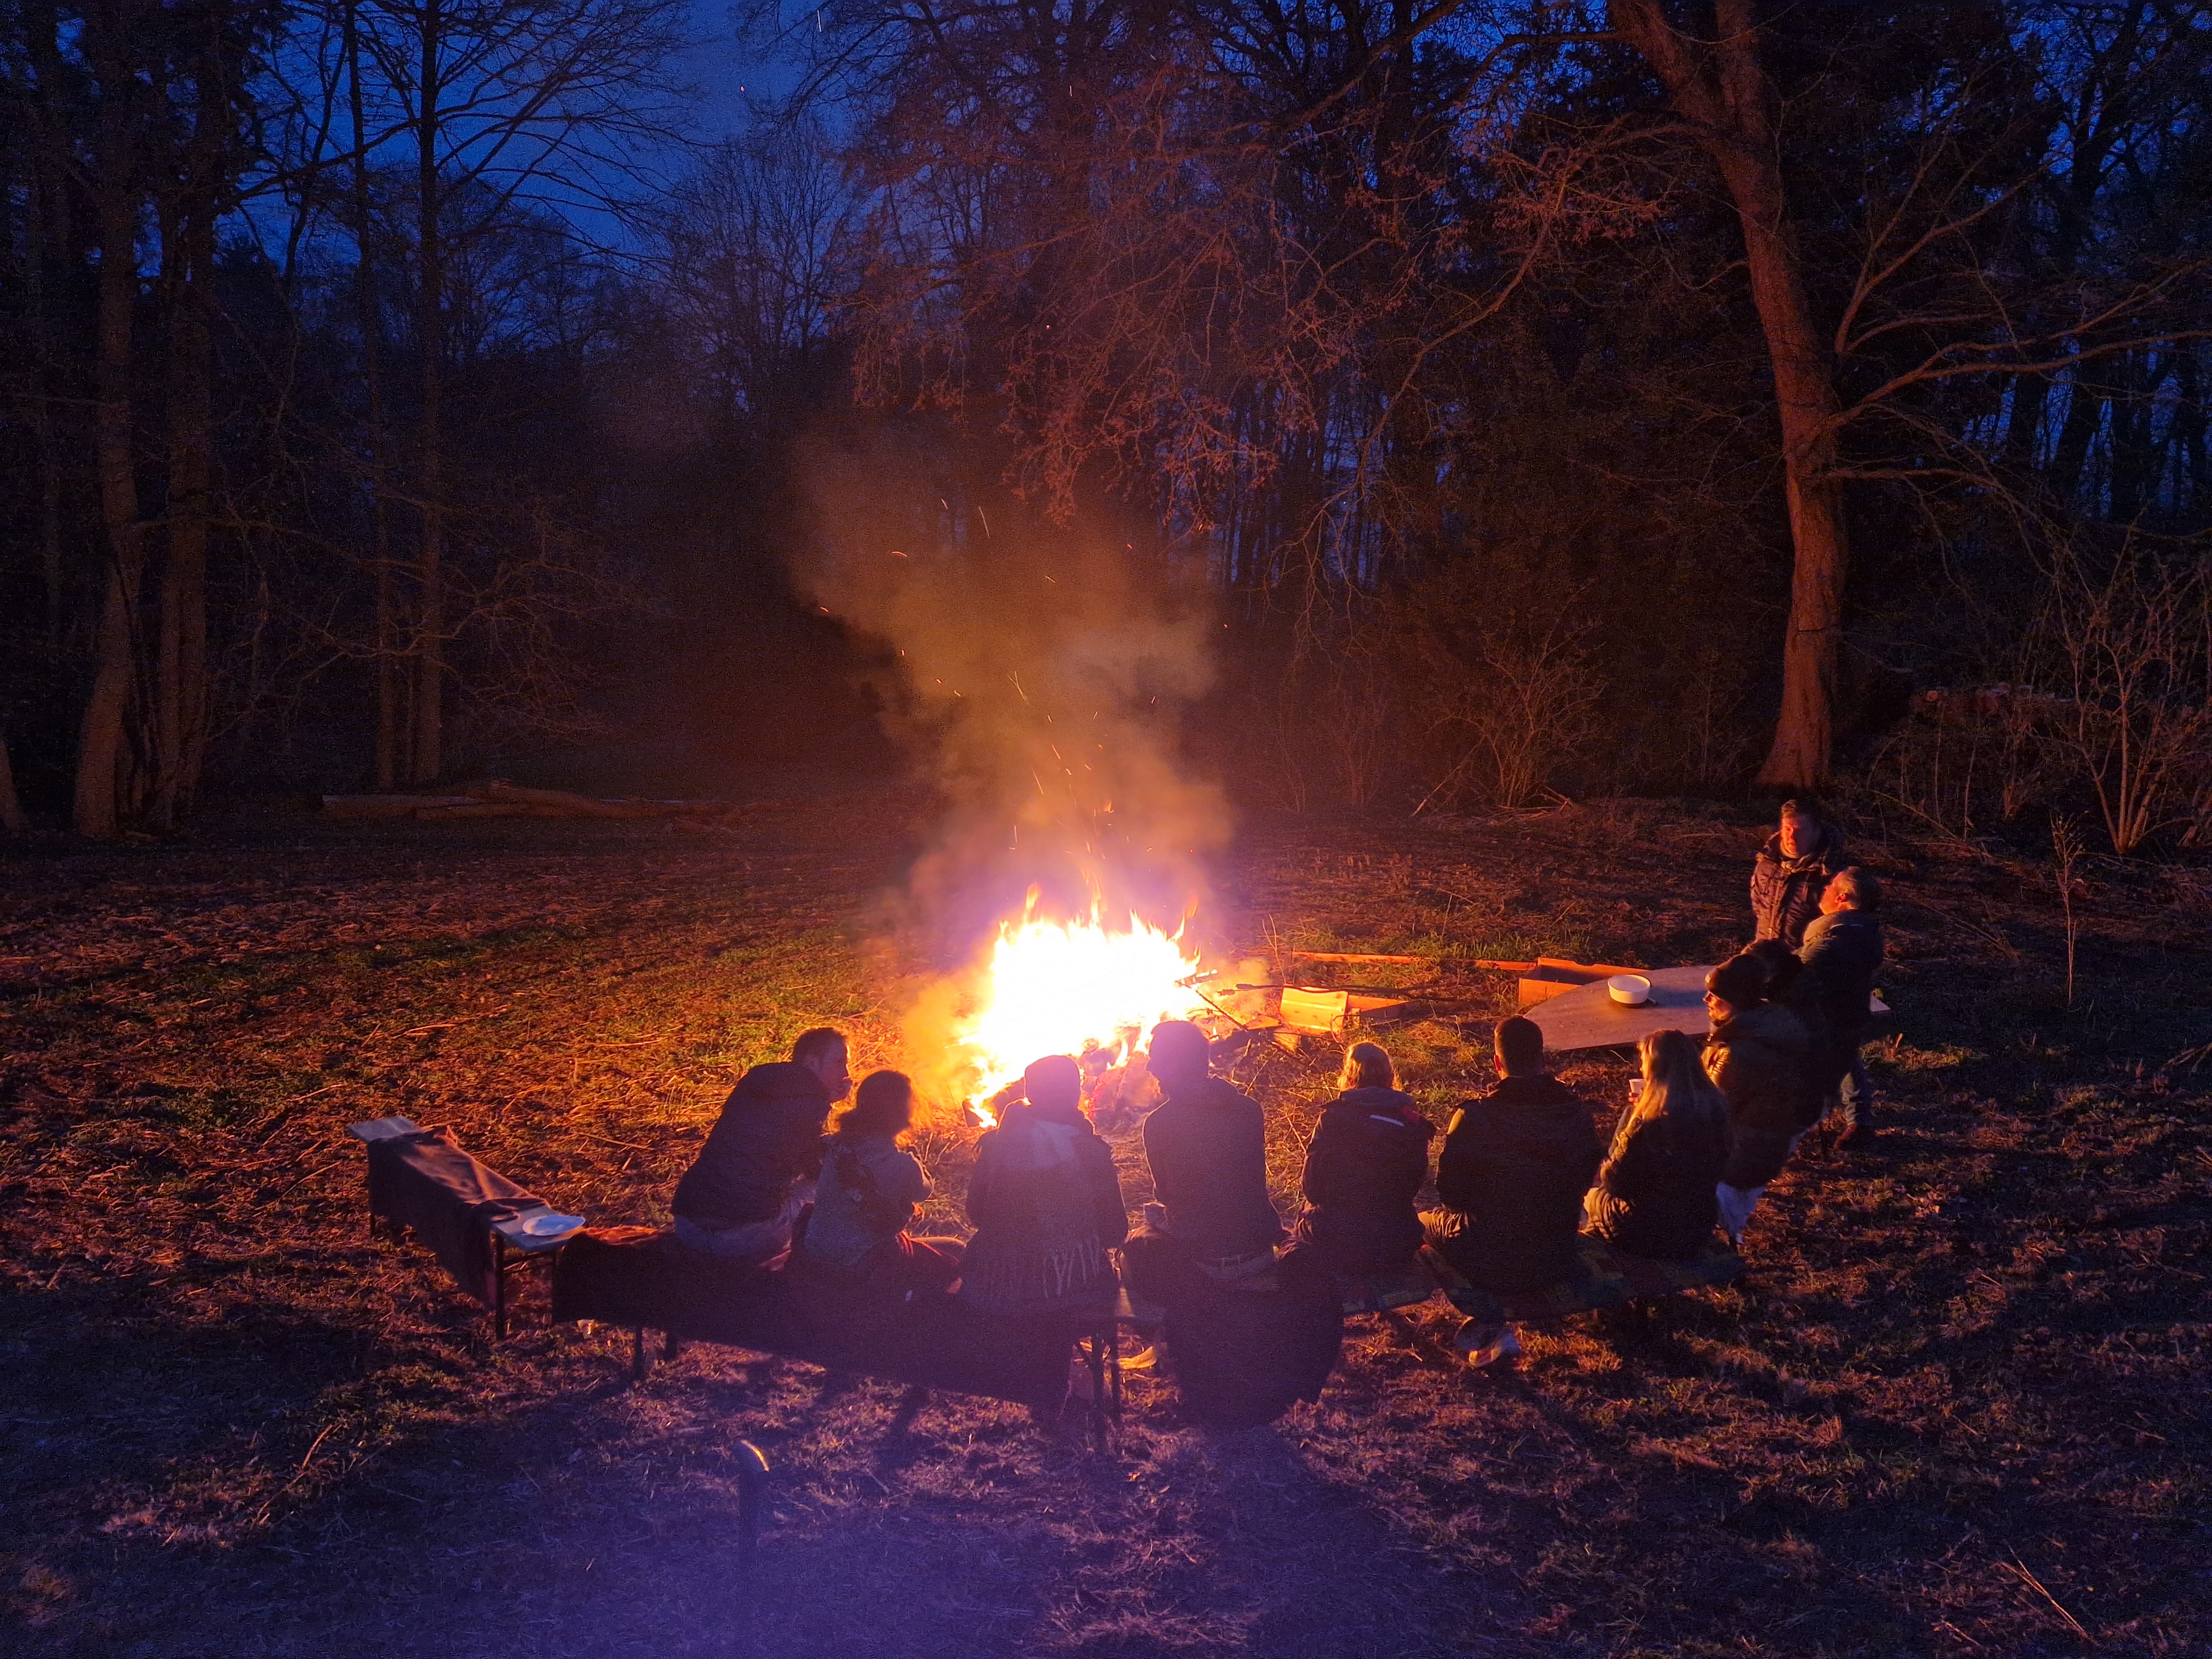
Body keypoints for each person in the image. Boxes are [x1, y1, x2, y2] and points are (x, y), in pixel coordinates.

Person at [1425, 1017, 1601, 1363]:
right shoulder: (1577, 1114)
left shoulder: (1475, 1117)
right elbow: (1583, 1182)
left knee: (1424, 1222)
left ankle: (1491, 1318)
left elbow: (1452, 1197)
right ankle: (1495, 1325)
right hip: (1557, 1251)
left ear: (1497, 1063)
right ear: (1542, 1059)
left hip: (1490, 1257)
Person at [958, 1055, 1129, 1317]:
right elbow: (1114, 1232)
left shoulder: (997, 1142)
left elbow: (977, 1213)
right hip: (1072, 1293)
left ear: (1030, 1092)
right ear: (1075, 1092)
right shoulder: (1089, 1150)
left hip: (993, 1288)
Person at [671, 1027, 851, 1262]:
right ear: (812, 1062)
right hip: (741, 1239)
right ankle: (827, 1259)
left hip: (688, 1226)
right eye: (839, 1063)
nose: (846, 1073)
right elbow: (811, 1168)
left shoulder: (757, 1079)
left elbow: (772, 1135)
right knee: (828, 1183)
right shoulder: (811, 1105)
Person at [1138, 1020, 1285, 1281]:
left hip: (1202, 1259)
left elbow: (1165, 1193)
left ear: (1176, 1066)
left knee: (1133, 1248)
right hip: (1258, 1252)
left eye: (1156, 1059)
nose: (1150, 1067)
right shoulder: (1248, 1109)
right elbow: (1251, 1183)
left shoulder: (1159, 1123)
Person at [796, 1069, 963, 1296]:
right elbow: (925, 1190)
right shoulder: (902, 1165)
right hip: (858, 1265)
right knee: (955, 1253)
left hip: (815, 1251)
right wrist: (914, 1157)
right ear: (904, 1113)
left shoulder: (834, 1145)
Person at [1287, 1042, 1436, 1279]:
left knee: (1302, 1221)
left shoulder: (1332, 1118)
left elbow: (1311, 1189)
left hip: (1336, 1243)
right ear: (1390, 1076)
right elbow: (1412, 1187)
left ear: (1349, 1078)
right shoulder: (1413, 1124)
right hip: (1394, 1247)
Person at [1583, 1029, 1730, 1260]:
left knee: (1593, 1197)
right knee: (1631, 1111)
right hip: (1697, 1228)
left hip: (1648, 1233)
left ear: (1654, 1070)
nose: (1641, 1069)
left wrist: (1637, 1118)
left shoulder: (1649, 1124)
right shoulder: (1717, 1111)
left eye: (1644, 1064)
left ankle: (1600, 1254)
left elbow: (1615, 1184)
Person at [1702, 955, 1820, 1242]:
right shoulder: (1771, 1026)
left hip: (1741, 1155)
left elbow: (1712, 1113)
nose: (1706, 999)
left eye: (1715, 995)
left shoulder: (1741, 1053)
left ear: (1735, 1001)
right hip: (1767, 1144)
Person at [1798, 865, 1886, 1148]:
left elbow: (1801, 968)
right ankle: (1859, 1121)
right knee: (1847, 1060)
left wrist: (1760, 969)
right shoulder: (1861, 931)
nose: (1824, 890)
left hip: (1825, 1019)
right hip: (1848, 1015)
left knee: (1816, 1072)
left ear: (1842, 897)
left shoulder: (1839, 937)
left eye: (1830, 887)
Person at [1751, 798, 1849, 949]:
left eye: (1799, 831)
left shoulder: (1833, 874)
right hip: (1765, 959)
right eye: (1787, 829)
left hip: (1804, 964)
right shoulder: (1767, 864)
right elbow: (1759, 906)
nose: (1792, 837)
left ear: (1816, 831)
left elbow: (1838, 924)